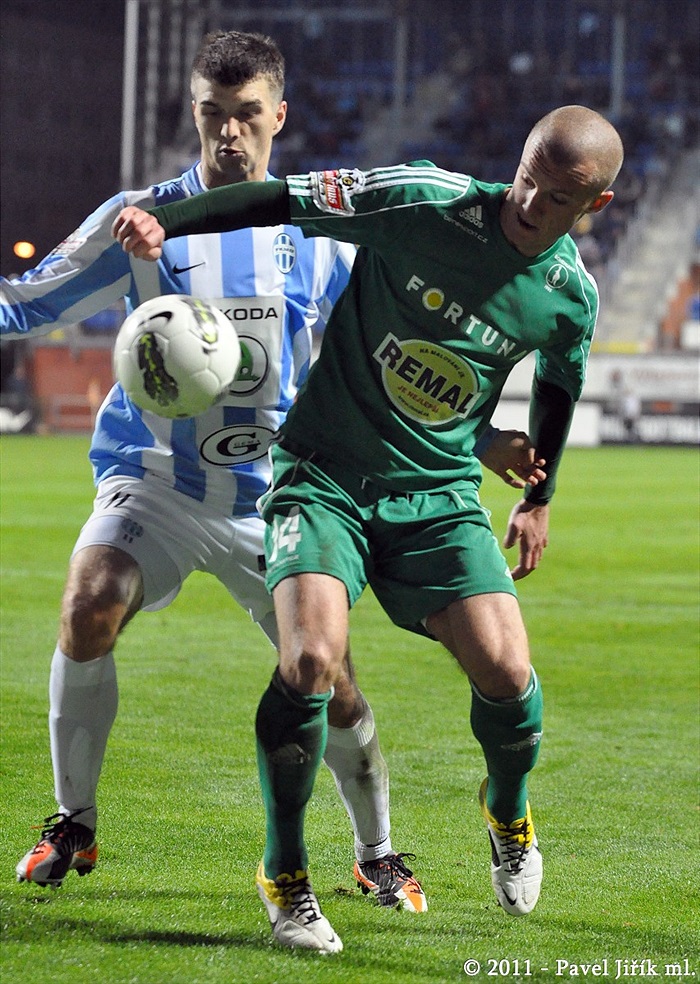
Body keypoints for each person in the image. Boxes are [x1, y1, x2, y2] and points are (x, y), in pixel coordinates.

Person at [1, 30, 542, 923]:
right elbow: (28, 302)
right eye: (212, 115)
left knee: (328, 682)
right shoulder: (136, 219)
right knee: (86, 607)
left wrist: (480, 436)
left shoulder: (316, 231)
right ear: (194, 114)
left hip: (280, 494)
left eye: (246, 115)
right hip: (156, 482)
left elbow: (387, 353)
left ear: (278, 118)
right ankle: (74, 821)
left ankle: (375, 853)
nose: (227, 134)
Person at [115, 104, 623, 952]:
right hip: (325, 477)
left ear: (595, 205)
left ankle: (509, 816)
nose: (531, 197)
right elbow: (281, 197)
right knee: (310, 661)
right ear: (521, 154)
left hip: (439, 496)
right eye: (529, 170)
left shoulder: (568, 297)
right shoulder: (423, 198)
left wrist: (538, 495)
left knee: (507, 670)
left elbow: (559, 387)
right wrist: (165, 217)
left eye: (559, 193)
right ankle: (285, 875)